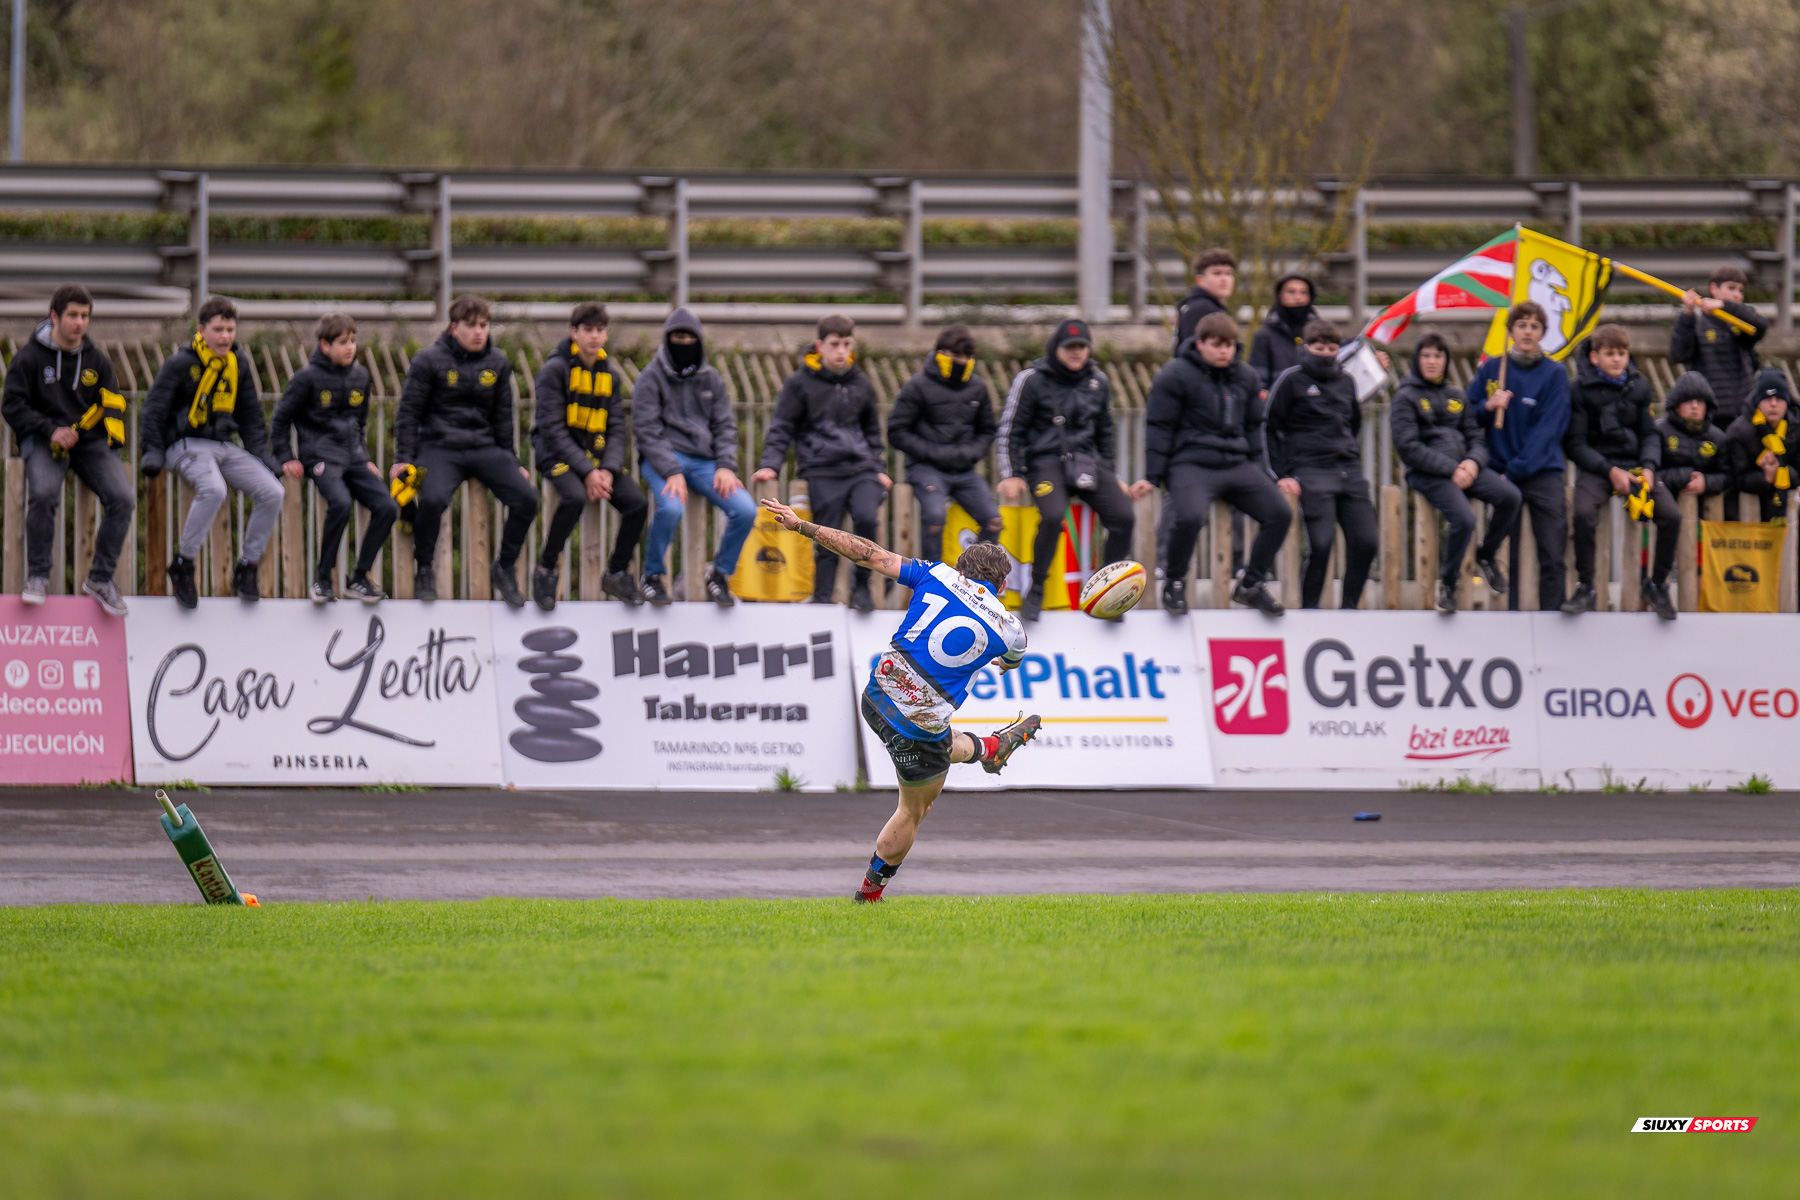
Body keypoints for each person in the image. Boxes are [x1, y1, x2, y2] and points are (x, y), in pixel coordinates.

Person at [756, 496, 1039, 903]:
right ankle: (869, 896)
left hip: (874, 697)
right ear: (1003, 586)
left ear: (961, 569)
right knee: (914, 810)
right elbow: (1010, 661)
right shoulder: (1012, 630)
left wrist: (803, 526)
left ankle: (989, 748)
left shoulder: (937, 574)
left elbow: (867, 553)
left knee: (939, 741)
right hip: (916, 727)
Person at [139, 296, 286, 609]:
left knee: (273, 491)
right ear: (201, 330)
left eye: (230, 330)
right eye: (218, 329)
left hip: (222, 445)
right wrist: (152, 450)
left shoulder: (238, 365)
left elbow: (251, 417)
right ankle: (183, 562)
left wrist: (264, 456)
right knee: (214, 489)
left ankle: (248, 566)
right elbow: (153, 409)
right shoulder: (181, 363)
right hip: (185, 444)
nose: (225, 337)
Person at [392, 294, 537, 607]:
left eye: (484, 325)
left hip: (484, 447)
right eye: (471, 325)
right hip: (439, 446)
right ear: (454, 327)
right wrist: (403, 459)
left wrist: (512, 461)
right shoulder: (428, 360)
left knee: (527, 498)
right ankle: (425, 568)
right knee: (430, 499)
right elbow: (409, 413)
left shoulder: (497, 361)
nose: (478, 332)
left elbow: (503, 417)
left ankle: (504, 567)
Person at [996, 318, 1146, 622]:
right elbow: (1011, 430)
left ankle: (1110, 590)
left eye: (1082, 347)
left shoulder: (1098, 381)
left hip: (1088, 463)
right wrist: (1010, 473)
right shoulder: (1032, 379)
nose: (1076, 353)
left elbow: (1105, 432)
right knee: (1052, 516)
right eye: (1070, 347)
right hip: (1045, 462)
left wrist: (1112, 474)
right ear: (1056, 348)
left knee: (1124, 517)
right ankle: (1037, 588)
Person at [1142, 311, 1290, 616]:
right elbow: (1159, 426)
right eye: (1216, 344)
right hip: (1191, 462)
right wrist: (1153, 476)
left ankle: (1251, 584)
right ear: (1200, 344)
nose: (1224, 350)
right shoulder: (1175, 374)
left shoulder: (1246, 376)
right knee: (1189, 517)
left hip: (1237, 463)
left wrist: (1262, 471)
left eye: (1230, 344)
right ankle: (1174, 582)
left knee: (1279, 513)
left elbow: (1253, 427)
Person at [1, 285, 134, 615]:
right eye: (73, 315)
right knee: (44, 493)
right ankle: (38, 577)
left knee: (123, 498)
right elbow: (11, 405)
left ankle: (100, 579)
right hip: (42, 439)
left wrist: (108, 435)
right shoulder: (29, 357)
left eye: (85, 316)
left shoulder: (97, 361)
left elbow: (112, 403)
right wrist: (50, 430)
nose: (79, 323)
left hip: (88, 443)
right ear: (54, 317)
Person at [754, 314, 890, 612]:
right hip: (822, 468)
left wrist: (879, 468)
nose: (841, 351)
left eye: (847, 344)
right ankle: (823, 600)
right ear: (820, 346)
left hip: (861, 469)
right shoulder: (799, 383)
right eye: (834, 344)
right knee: (826, 534)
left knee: (867, 520)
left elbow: (871, 432)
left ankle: (861, 589)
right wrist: (770, 464)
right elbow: (782, 426)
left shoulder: (861, 382)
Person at [527, 302, 649, 611]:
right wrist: (586, 472)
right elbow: (552, 429)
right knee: (575, 497)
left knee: (637, 504)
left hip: (596, 460)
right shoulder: (555, 369)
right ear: (574, 333)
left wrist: (607, 468)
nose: (594, 337)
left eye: (599, 331)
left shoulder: (610, 373)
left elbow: (617, 427)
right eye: (587, 330)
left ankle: (617, 572)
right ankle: (546, 568)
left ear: (606, 334)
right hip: (555, 453)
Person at [1390, 331, 1521, 615]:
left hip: (1465, 467)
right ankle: (1448, 585)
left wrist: (1473, 462)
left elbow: (1476, 436)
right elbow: (1408, 447)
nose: (1432, 361)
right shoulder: (1405, 396)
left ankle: (1485, 556)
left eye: (1438, 355)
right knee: (1464, 519)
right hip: (1429, 473)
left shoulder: (1456, 394)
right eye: (1426, 355)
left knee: (1510, 497)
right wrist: (1452, 469)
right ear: (1417, 359)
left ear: (1446, 360)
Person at [633, 307, 755, 607]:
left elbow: (726, 425)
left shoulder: (711, 378)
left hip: (705, 462)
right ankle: (651, 576)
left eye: (688, 336)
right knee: (671, 508)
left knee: (746, 509)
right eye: (677, 336)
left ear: (698, 340)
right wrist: (671, 469)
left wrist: (726, 465)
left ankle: (719, 574)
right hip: (662, 458)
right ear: (667, 338)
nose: (683, 342)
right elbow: (647, 431)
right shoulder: (650, 377)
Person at [271, 313, 396, 604]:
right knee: (340, 502)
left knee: (388, 506)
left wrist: (364, 457)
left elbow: (359, 423)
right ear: (325, 346)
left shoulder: (361, 376)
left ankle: (359, 578)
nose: (350, 347)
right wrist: (287, 458)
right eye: (342, 342)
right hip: (320, 456)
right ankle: (323, 579)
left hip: (352, 457)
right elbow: (279, 421)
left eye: (353, 341)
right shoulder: (306, 378)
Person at [1561, 325, 1678, 619]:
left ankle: (1657, 584)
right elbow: (1575, 444)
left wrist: (1650, 467)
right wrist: (1609, 470)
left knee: (1672, 516)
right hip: (1599, 465)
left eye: (1621, 353)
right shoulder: (1578, 389)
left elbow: (1650, 434)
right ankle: (1586, 585)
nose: (1616, 359)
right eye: (1609, 353)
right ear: (1595, 356)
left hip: (1636, 466)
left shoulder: (1639, 385)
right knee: (1583, 513)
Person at [1265, 318, 1377, 610]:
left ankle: (1350, 607)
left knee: (1366, 542)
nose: (1326, 352)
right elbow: (1269, 427)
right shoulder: (1292, 380)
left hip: (1348, 471)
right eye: (1319, 346)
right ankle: (1310, 609)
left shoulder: (1347, 381)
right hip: (1310, 471)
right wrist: (1281, 473)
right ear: (1307, 347)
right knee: (1321, 545)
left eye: (1331, 347)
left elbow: (1352, 423)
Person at [1469, 301, 1571, 613]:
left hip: (1540, 472)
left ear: (1543, 333)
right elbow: (1466, 417)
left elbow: (1548, 430)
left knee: (1552, 552)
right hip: (1501, 471)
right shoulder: (1491, 369)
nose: (1527, 331)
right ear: (1511, 331)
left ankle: (1553, 615)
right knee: (1510, 555)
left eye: (1534, 326)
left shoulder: (1555, 374)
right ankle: (1511, 616)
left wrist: (1513, 472)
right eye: (1522, 325)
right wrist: (1486, 407)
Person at [886, 324, 1001, 559]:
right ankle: (933, 581)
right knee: (935, 517)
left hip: (964, 470)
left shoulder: (977, 387)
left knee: (993, 520)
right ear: (942, 354)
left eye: (968, 357)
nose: (964, 362)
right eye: (958, 356)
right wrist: (933, 452)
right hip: (926, 468)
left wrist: (970, 453)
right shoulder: (917, 386)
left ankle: (977, 581)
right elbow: (897, 431)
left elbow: (987, 430)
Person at [1670, 265, 1768, 425]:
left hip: (1743, 412)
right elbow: (1678, 354)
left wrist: (1725, 306)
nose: (1737, 295)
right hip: (1712, 414)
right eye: (1731, 288)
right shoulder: (1697, 323)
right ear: (1714, 289)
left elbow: (1761, 326)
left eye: (1740, 290)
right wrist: (1687, 315)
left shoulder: (1743, 321)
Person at [1722, 368, 1799, 522]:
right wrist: (1766, 477)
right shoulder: (1740, 431)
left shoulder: (1796, 428)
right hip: (1746, 512)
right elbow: (1735, 479)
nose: (1773, 404)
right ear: (1758, 401)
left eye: (1779, 398)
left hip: (1788, 508)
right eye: (1767, 398)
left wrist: (1780, 469)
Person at [1655, 372, 1728, 506]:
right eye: (1688, 401)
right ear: (1676, 406)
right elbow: (1650, 472)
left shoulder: (1718, 438)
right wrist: (1684, 477)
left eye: (1700, 401)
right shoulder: (1659, 431)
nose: (1694, 406)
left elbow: (1728, 476)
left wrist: (1705, 483)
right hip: (1663, 509)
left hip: (1707, 513)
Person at [1248, 273, 1319, 388]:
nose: (1298, 298)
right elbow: (1258, 381)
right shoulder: (1265, 335)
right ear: (1279, 295)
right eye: (1291, 292)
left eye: (1303, 292)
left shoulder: (1320, 333)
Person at [1173, 248, 1236, 354]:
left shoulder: (1196, 304)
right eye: (1217, 273)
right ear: (1200, 280)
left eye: (1228, 273)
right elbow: (1192, 352)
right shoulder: (1202, 309)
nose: (1224, 279)